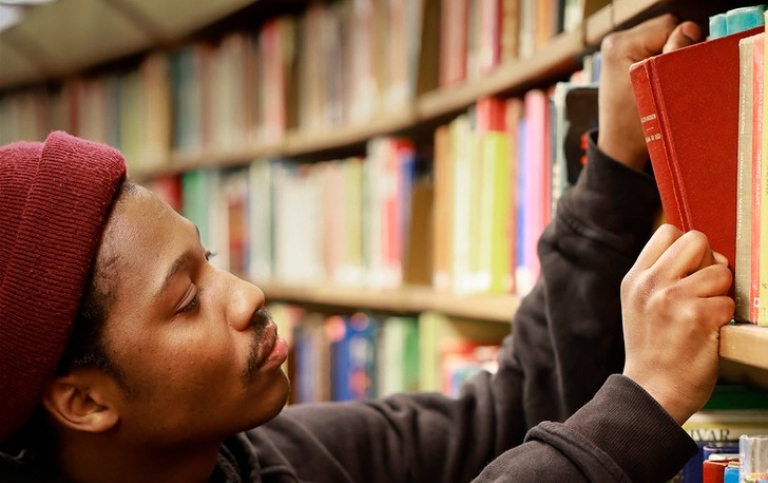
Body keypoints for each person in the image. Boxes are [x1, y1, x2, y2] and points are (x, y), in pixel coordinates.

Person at [0, 13, 734, 483]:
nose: (248, 296)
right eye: (188, 301)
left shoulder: (261, 458)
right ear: (84, 399)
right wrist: (647, 398)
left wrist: (611, 165)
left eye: (211, 263)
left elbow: (509, 412)